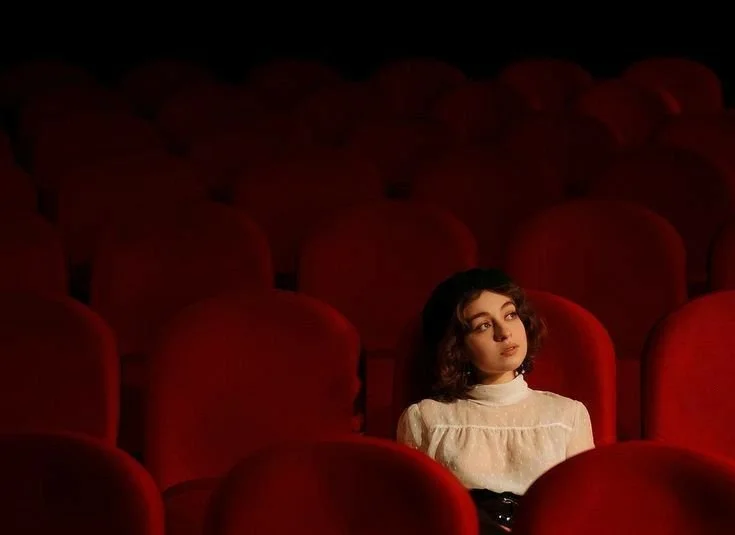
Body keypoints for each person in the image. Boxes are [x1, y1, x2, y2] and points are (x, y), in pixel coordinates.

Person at [396, 268, 594, 533]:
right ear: (458, 347)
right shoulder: (426, 419)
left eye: (510, 315)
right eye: (483, 325)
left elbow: (582, 515)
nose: (504, 332)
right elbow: (416, 517)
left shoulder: (568, 416)